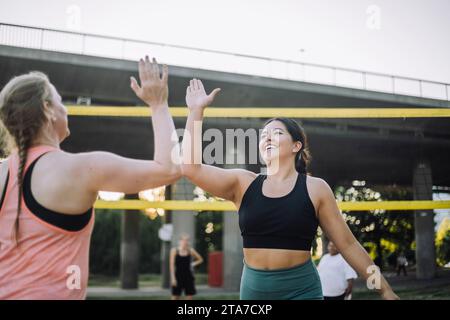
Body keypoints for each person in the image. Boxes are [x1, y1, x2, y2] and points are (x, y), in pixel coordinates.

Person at [180, 78, 399, 300]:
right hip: (254, 291)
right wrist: (196, 111)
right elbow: (190, 168)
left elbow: (349, 245)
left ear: (296, 146)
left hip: (302, 290)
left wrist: (384, 289)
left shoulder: (316, 189)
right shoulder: (243, 183)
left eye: (276, 133)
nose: (267, 138)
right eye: (263, 135)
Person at [0, 56, 181, 299]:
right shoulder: (81, 168)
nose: (65, 108)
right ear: (47, 109)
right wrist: (158, 104)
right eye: (59, 101)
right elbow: (169, 169)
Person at [169, 233, 203, 300]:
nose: (185, 242)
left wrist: (193, 264)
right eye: (183, 240)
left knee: (189, 297)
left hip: (189, 276)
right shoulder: (174, 251)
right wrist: (173, 278)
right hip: (178, 276)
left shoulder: (191, 251)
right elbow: (171, 265)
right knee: (175, 297)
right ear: (179, 241)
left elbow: (201, 259)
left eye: (187, 240)